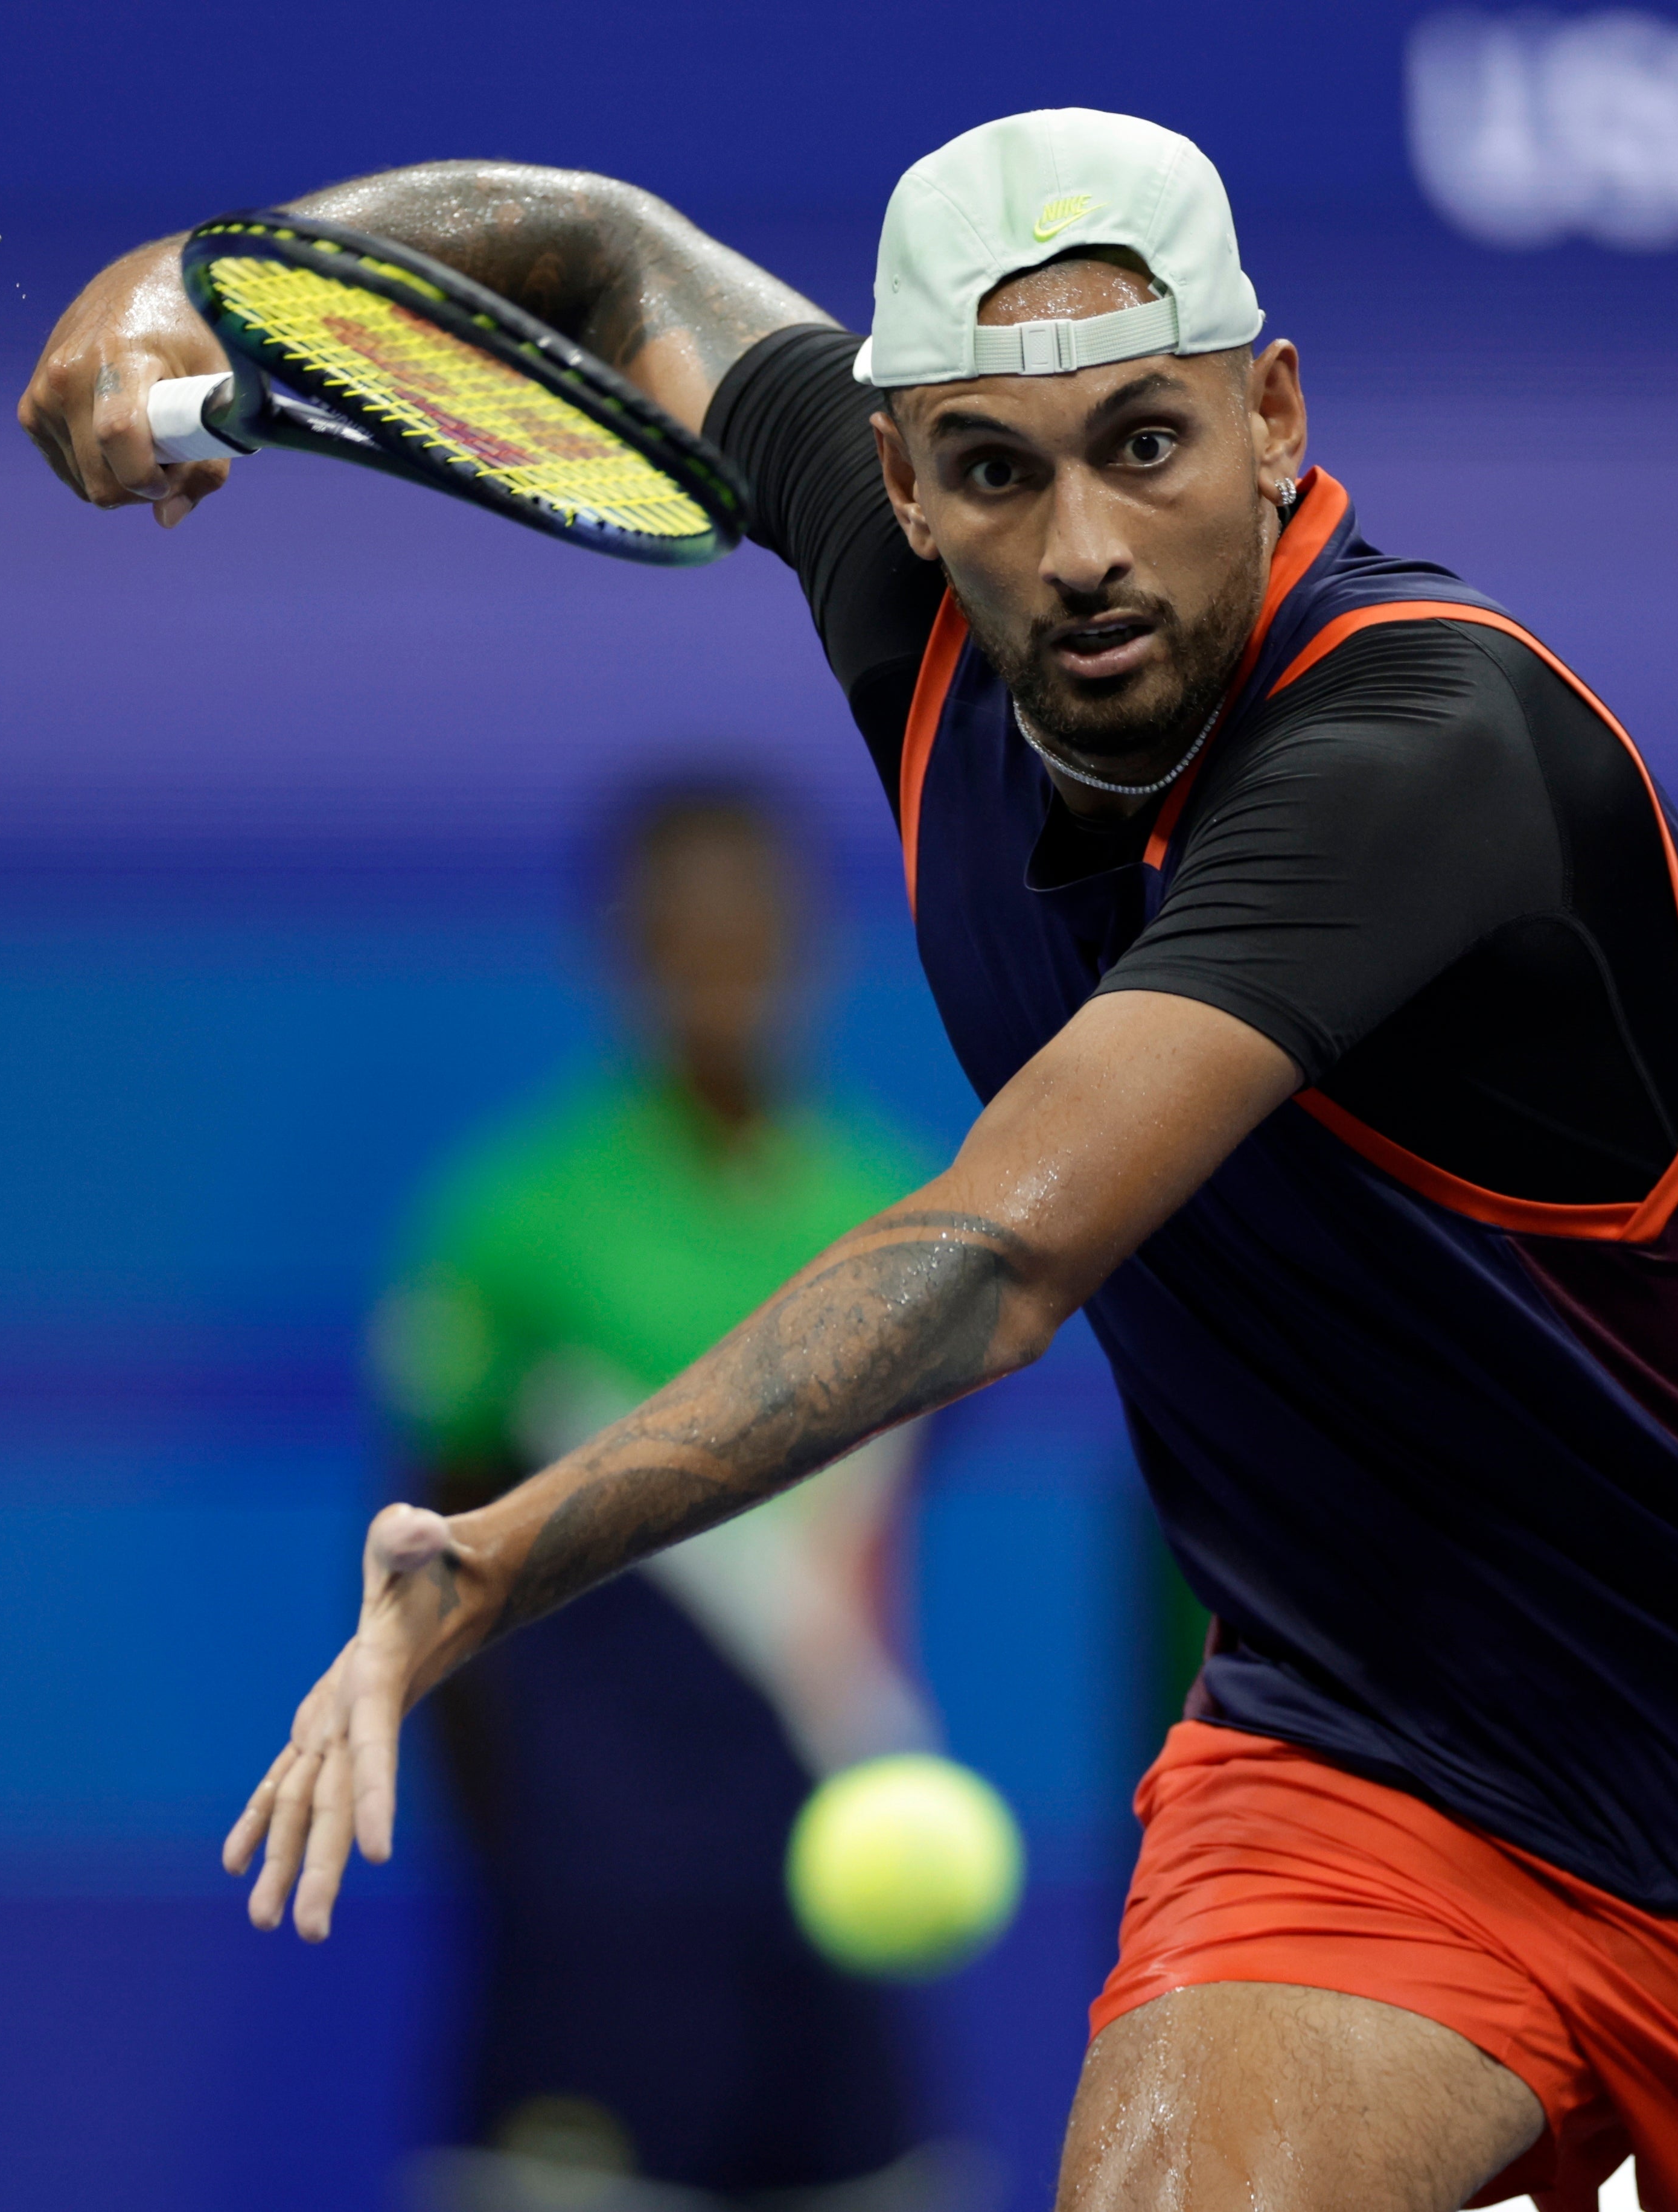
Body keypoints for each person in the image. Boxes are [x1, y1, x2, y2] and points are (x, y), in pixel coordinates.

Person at [21, 109, 1678, 2212]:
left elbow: (992, 1259)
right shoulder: (926, 609)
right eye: (997, 474)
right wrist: (182, 281)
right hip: (1382, 1755)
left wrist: (499, 1552)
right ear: (902, 488)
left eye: (1147, 443)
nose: (1084, 545)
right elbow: (596, 248)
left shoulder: (1427, 739)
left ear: (1272, 414)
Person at [378, 784, 946, 2208]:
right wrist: (536, 1855)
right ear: (625, 947)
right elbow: (432, 1567)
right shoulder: (515, 1218)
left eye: (748, 917)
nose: (718, 953)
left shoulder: (904, 1210)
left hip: (839, 1854)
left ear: (809, 938)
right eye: (679, 925)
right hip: (593, 1894)